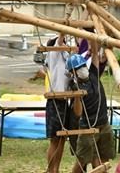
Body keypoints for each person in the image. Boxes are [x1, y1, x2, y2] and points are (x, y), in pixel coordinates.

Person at [67, 48, 114, 173]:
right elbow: (78, 113)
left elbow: (95, 54)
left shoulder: (93, 73)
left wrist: (93, 39)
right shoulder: (75, 86)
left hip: (104, 124)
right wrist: (77, 97)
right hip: (87, 128)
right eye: (78, 68)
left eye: (83, 65)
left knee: (103, 158)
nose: (82, 69)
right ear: (73, 72)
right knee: (82, 161)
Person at [45, 33, 71, 173]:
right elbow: (60, 38)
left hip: (63, 102)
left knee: (62, 138)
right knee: (55, 139)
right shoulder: (54, 55)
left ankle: (57, 169)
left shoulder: (65, 58)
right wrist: (64, 27)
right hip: (54, 101)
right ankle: (51, 170)